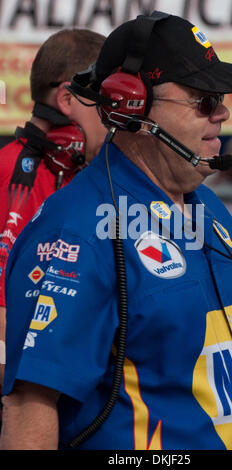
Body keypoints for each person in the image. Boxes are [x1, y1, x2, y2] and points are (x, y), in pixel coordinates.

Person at [0, 12, 232, 450]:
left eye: (222, 97)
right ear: (131, 105)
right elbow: (29, 414)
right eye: (204, 100)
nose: (223, 112)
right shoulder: (77, 231)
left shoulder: (211, 210)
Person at [0, 28, 107, 392]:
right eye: (105, 98)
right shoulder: (8, 172)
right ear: (66, 99)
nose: (116, 114)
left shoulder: (100, 180)